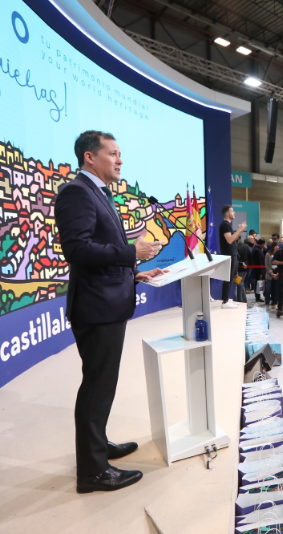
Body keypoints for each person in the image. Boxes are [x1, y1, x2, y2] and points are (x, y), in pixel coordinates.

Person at [56, 130, 166, 493]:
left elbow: (100, 251)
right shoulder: (76, 192)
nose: (120, 160)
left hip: (108, 302)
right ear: (90, 157)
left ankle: (98, 447)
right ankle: (92, 472)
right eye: (113, 153)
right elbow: (78, 250)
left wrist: (135, 273)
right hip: (96, 308)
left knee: (102, 384)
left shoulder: (99, 193)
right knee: (97, 387)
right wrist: (132, 252)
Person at [218, 205, 247, 308]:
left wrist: (239, 231)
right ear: (227, 214)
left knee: (230, 278)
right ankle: (225, 301)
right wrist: (239, 230)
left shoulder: (227, 225)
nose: (234, 213)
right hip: (228, 255)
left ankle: (226, 299)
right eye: (232, 211)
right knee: (228, 278)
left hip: (232, 255)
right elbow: (229, 240)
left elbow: (232, 239)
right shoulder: (225, 225)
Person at [250, 238, 266, 305]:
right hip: (257, 270)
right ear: (262, 244)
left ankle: (258, 296)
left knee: (257, 284)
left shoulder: (256, 249)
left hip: (256, 269)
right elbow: (259, 262)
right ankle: (258, 297)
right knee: (258, 284)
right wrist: (261, 272)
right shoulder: (257, 250)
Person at [264, 243, 279, 308]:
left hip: (277, 273)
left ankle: (275, 302)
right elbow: (267, 265)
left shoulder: (279, 254)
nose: (277, 247)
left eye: (277, 246)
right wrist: (271, 273)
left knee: (276, 289)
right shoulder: (268, 255)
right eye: (275, 246)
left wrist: (277, 273)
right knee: (268, 289)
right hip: (269, 274)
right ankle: (267, 303)